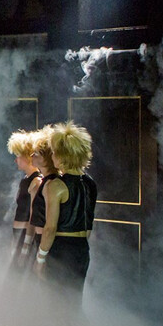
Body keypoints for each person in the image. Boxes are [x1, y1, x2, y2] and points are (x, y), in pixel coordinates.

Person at [35, 121, 97, 295]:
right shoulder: (90, 183)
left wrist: (40, 258)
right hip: (82, 249)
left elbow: (50, 228)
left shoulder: (55, 185)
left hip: (61, 250)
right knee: (74, 301)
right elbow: (88, 226)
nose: (52, 156)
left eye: (54, 152)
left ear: (63, 156)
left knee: (56, 301)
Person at [23, 125, 60, 269]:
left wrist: (40, 254)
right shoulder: (44, 181)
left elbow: (50, 224)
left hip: (48, 243)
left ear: (46, 158)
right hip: (41, 241)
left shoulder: (52, 184)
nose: (32, 156)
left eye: (37, 153)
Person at [6, 130, 43, 257]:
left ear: (27, 157)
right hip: (19, 232)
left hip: (25, 233)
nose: (16, 160)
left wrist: (27, 243)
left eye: (18, 156)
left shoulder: (36, 180)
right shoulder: (26, 180)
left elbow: (34, 215)